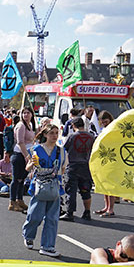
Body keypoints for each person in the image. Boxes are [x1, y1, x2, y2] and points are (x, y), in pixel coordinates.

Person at [22, 123, 65, 257]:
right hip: (40, 185)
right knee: (35, 214)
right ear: (45, 134)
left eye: (56, 133)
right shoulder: (37, 149)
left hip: (54, 186)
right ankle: (28, 235)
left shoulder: (61, 151)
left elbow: (63, 168)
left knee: (52, 218)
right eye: (51, 133)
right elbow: (28, 168)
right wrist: (32, 164)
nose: (54, 136)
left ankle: (47, 246)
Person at [60, 117, 95, 222]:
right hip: (86, 166)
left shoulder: (72, 137)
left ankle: (70, 212)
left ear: (74, 126)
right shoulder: (91, 136)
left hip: (73, 165)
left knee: (71, 190)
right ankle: (87, 212)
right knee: (85, 190)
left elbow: (64, 148)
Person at [10, 107, 36, 213]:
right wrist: (27, 156)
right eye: (24, 113)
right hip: (19, 155)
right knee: (16, 179)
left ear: (32, 114)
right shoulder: (20, 126)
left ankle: (19, 199)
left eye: (28, 113)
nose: (25, 115)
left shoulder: (30, 125)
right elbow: (20, 142)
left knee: (22, 179)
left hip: (27, 154)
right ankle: (12, 202)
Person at [95, 111, 116, 217]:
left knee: (110, 185)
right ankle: (106, 206)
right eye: (102, 122)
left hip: (111, 158)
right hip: (104, 157)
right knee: (104, 185)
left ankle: (111, 209)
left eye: (106, 121)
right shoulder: (103, 129)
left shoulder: (114, 128)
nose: (104, 124)